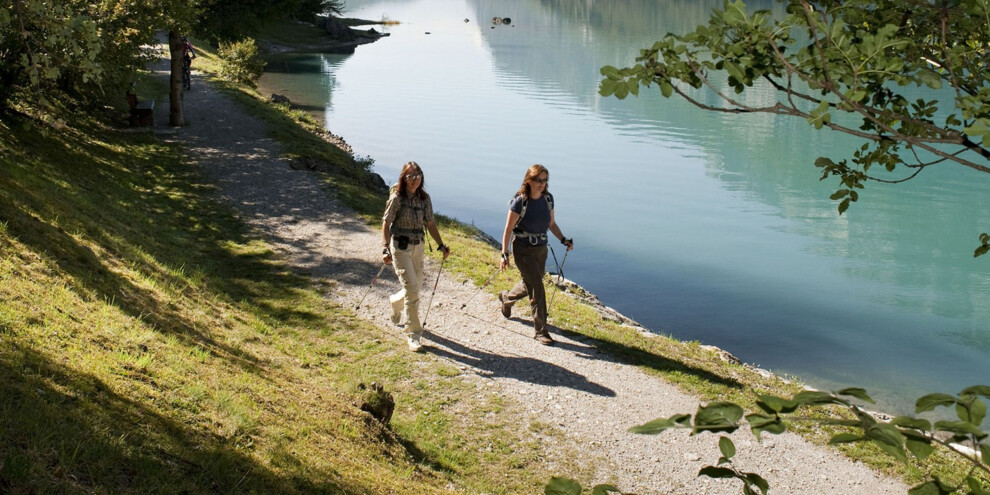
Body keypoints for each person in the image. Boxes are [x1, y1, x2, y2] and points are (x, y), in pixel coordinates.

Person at [498, 164, 573, 345]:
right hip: (523, 250)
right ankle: (541, 331)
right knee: (537, 287)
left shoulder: (548, 199)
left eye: (545, 180)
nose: (542, 184)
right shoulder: (520, 202)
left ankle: (506, 299)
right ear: (529, 181)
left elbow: (552, 224)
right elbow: (508, 230)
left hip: (541, 249)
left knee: (530, 282)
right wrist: (504, 254)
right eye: (539, 180)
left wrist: (563, 239)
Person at [382, 162, 451, 351]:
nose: (415, 179)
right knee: (412, 289)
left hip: (418, 247)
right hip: (400, 248)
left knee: (415, 287)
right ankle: (413, 334)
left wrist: (441, 245)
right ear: (403, 178)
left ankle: (395, 303)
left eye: (418, 175)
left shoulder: (424, 198)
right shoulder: (397, 198)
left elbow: (430, 223)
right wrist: (385, 248)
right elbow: (386, 223)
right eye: (410, 176)